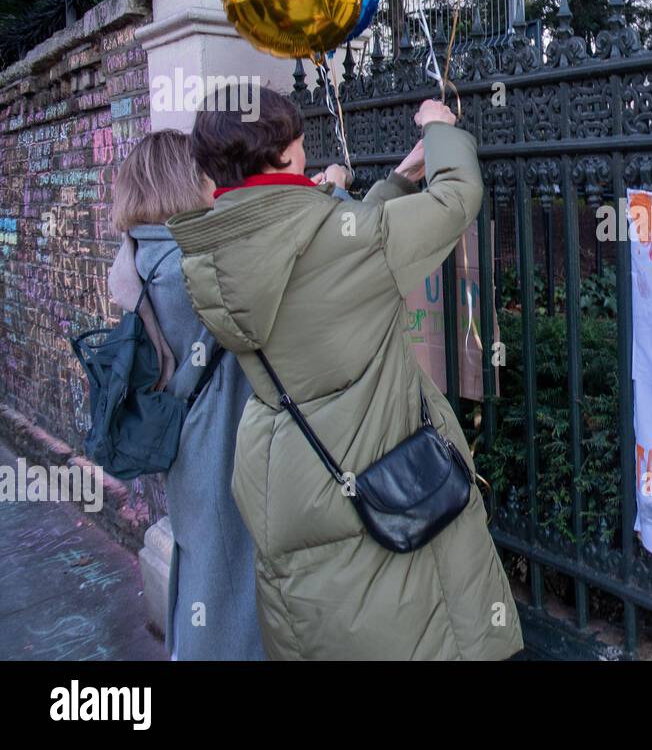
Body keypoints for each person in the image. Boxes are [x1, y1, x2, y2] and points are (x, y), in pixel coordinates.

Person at [167, 85, 521, 660]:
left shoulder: (215, 251)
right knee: (402, 615)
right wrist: (440, 127)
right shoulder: (340, 240)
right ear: (284, 155)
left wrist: (401, 178)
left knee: (326, 624)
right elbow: (458, 198)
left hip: (283, 473)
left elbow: (334, 241)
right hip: (363, 456)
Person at [107, 129, 265, 661]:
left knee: (200, 558)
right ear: (183, 179)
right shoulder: (185, 269)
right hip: (221, 433)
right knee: (228, 576)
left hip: (187, 442)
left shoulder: (137, 261)